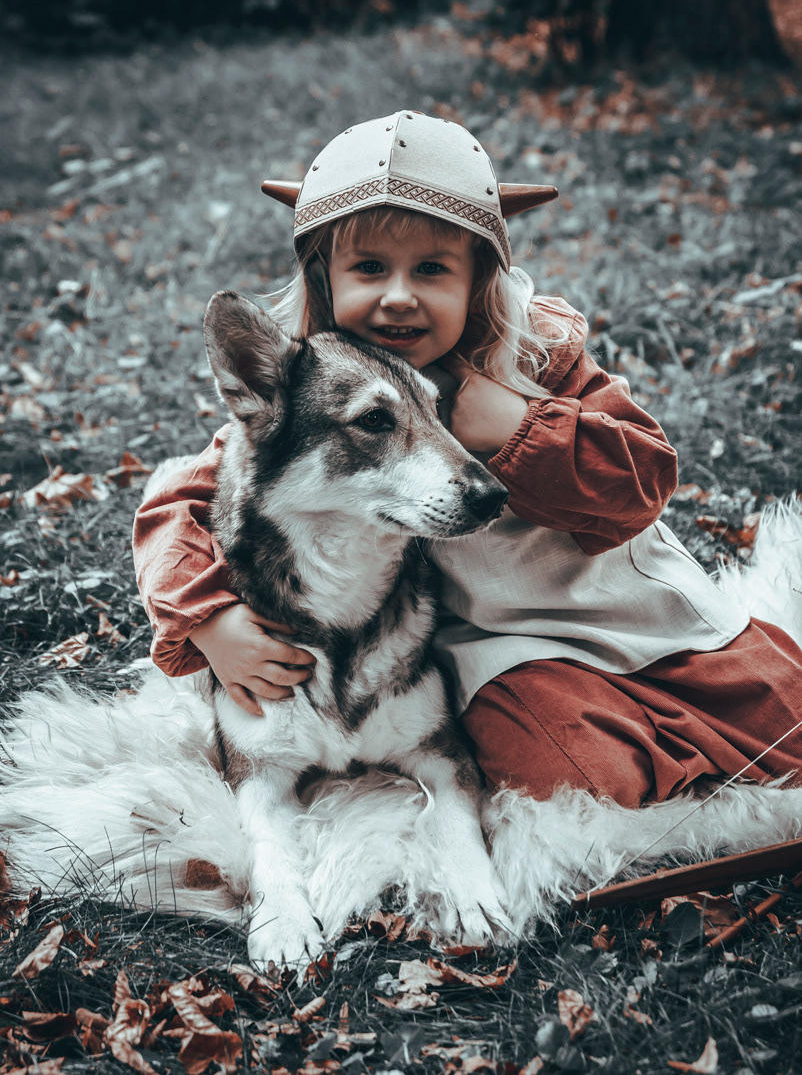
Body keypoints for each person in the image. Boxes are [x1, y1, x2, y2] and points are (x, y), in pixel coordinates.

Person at [133, 110, 802, 810]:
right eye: (369, 268)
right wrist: (209, 621)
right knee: (569, 775)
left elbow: (644, 481)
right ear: (324, 279)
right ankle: (653, 763)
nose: (398, 295)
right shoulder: (315, 391)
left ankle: (688, 741)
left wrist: (521, 426)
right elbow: (176, 504)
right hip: (507, 654)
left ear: (478, 276)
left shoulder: (542, 364)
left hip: (637, 617)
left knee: (788, 729)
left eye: (431, 268)